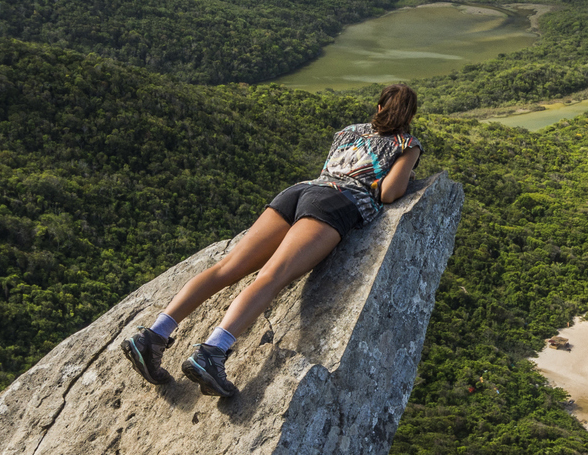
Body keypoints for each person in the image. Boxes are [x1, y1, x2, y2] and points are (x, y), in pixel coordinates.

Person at [120, 84, 424, 398]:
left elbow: (332, 169)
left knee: (227, 268)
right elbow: (389, 193)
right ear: (411, 116)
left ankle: (154, 335)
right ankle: (212, 352)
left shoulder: (348, 131)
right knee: (272, 276)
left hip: (299, 192)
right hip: (335, 204)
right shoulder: (408, 144)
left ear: (378, 108)